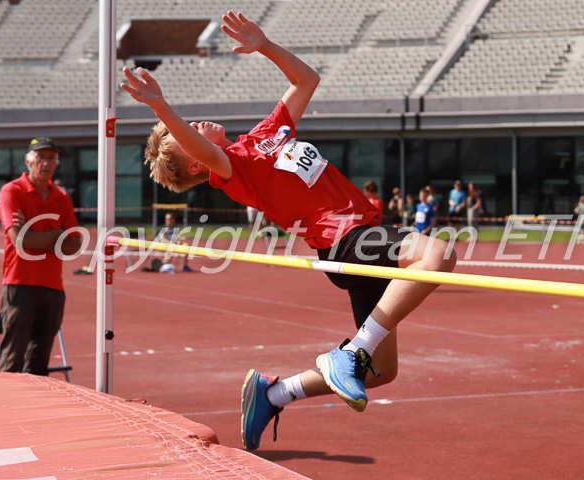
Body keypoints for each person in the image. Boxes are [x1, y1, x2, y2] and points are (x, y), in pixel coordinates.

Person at [120, 11, 455, 451]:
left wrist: (265, 45)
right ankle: (350, 354)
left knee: (383, 371)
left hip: (361, 237)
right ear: (197, 163)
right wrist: (162, 108)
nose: (199, 125)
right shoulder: (232, 169)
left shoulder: (261, 135)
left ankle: (274, 393)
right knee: (440, 254)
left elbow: (306, 81)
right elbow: (199, 143)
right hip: (347, 240)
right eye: (190, 135)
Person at [0, 137, 82, 376]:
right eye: (41, 157)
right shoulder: (11, 191)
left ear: (57, 162)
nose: (46, 162)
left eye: (51, 157)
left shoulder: (61, 198)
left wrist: (35, 235)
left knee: (39, 365)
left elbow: (75, 245)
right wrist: (59, 234)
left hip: (53, 287)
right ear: (28, 160)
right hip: (20, 283)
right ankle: (4, 410)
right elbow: (20, 241)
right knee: (12, 361)